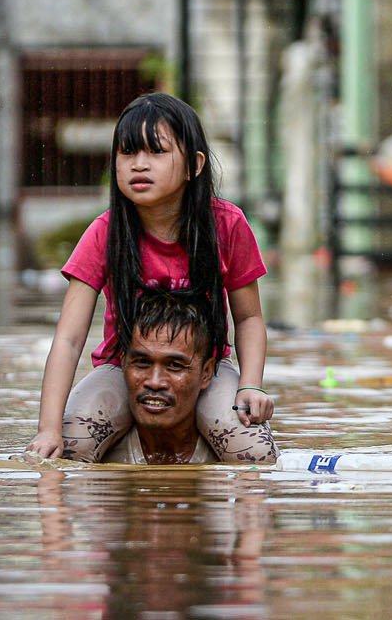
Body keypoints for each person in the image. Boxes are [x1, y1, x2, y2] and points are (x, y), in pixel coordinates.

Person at [25, 92, 278, 463]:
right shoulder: (104, 233)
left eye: (156, 152)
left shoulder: (227, 225)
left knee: (254, 455)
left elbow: (249, 318)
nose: (139, 165)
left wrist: (250, 385)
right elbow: (69, 338)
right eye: (128, 153)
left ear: (194, 165)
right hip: (122, 370)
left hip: (205, 371)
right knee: (67, 452)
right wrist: (48, 429)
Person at [102, 287, 220, 465]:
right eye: (142, 362)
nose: (155, 382)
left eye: (174, 365)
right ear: (124, 363)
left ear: (206, 373)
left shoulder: (232, 456)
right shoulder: (94, 451)